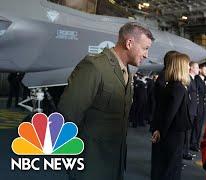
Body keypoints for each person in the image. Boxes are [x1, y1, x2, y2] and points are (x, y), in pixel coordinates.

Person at [58, 22, 154, 180]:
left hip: (114, 161)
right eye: (145, 48)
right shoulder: (95, 66)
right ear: (129, 43)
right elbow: (68, 115)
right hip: (90, 163)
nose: (146, 55)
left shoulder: (126, 71)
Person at [151, 53, 192, 180]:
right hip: (173, 134)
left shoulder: (171, 85)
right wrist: (161, 132)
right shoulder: (179, 87)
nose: (189, 67)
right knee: (171, 168)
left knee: (164, 166)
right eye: (187, 65)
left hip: (169, 133)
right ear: (181, 67)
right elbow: (170, 113)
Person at [190, 64, 206, 152]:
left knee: (200, 126)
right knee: (196, 126)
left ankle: (196, 143)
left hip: (202, 106)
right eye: (205, 70)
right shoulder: (197, 80)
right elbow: (195, 94)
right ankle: (193, 143)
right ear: (200, 70)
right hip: (198, 106)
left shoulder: (203, 81)